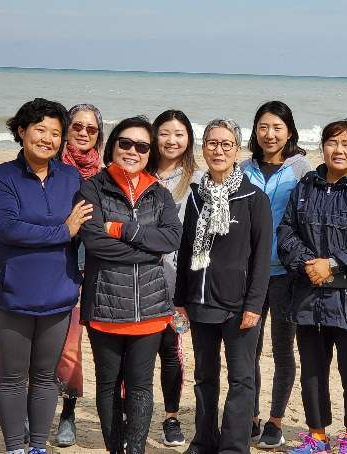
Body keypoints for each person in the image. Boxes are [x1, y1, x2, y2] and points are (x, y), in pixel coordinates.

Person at [0, 98, 94, 454]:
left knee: (46, 377)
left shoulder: (70, 178)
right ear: (22, 131)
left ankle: (37, 447)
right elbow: (8, 228)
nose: (47, 139)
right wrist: (62, 230)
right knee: (13, 376)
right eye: (40, 130)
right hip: (12, 292)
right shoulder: (1, 177)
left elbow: (86, 225)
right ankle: (15, 447)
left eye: (56, 133)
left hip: (58, 293)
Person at [277, 119, 347, 454]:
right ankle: (317, 435)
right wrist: (309, 265)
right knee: (312, 371)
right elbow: (287, 231)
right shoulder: (307, 186)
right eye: (332, 143)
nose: (339, 150)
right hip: (310, 295)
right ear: (322, 147)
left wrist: (333, 264)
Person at [77, 116, 183, 454]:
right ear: (112, 146)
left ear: (150, 153)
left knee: (140, 387)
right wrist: (147, 252)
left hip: (150, 308)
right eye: (125, 143)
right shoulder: (92, 188)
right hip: (105, 304)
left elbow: (171, 238)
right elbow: (95, 242)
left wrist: (122, 229)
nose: (133, 151)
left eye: (142, 146)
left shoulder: (159, 193)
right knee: (108, 385)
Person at [173, 118, 272, 454]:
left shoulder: (254, 198)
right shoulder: (196, 197)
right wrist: (180, 299)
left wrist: (254, 305)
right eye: (212, 144)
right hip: (200, 301)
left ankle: (233, 446)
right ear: (203, 149)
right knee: (204, 376)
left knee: (241, 379)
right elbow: (186, 250)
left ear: (237, 150)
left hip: (239, 305)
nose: (219, 150)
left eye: (226, 144)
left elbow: (261, 258)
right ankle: (204, 440)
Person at [239, 100, 310, 448]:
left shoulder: (301, 169)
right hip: (248, 274)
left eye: (277, 127)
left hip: (285, 275)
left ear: (290, 131)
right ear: (255, 131)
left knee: (283, 350)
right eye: (263, 127)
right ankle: (251, 416)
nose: (270, 134)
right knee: (248, 349)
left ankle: (276, 420)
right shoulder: (243, 168)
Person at [151, 109, 205, 447]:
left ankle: (171, 417)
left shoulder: (197, 180)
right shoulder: (141, 173)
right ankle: (130, 412)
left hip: (177, 281)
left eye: (179, 134)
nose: (172, 140)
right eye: (165, 133)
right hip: (139, 276)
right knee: (136, 352)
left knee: (171, 350)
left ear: (188, 139)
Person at [54, 102, 104, 447]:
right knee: (67, 345)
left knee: (108, 346)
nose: (84, 133)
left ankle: (108, 411)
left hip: (99, 268)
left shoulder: (108, 171)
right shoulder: (53, 169)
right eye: (77, 126)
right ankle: (67, 412)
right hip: (63, 267)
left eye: (92, 128)